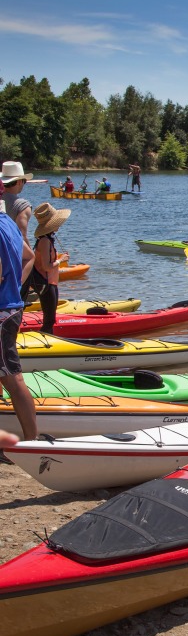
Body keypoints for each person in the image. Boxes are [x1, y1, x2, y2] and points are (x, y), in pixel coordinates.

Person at [0, 204, 38, 442]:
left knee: (13, 378)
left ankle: (32, 442)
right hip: (11, 308)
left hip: (2, 312)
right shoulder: (8, 224)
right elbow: (29, 256)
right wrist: (14, 285)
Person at [19, 203, 70, 335]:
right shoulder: (45, 241)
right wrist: (60, 260)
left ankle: (48, 339)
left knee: (50, 319)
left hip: (50, 282)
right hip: (46, 283)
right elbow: (47, 266)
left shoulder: (48, 239)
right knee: (49, 321)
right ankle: (44, 342)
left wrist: (57, 259)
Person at [1, 162, 33, 242]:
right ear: (19, 182)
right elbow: (22, 238)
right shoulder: (22, 206)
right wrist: (32, 255)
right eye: (24, 181)